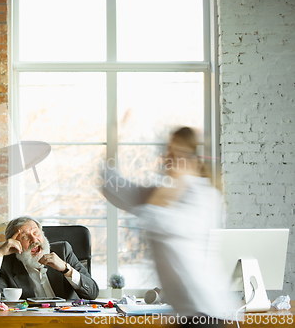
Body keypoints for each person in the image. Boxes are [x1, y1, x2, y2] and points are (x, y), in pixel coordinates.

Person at [102, 127, 238, 323]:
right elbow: (116, 190)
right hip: (186, 314)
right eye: (167, 152)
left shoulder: (203, 196)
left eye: (174, 154)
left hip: (206, 313)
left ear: (189, 158)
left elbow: (156, 219)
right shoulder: (166, 191)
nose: (166, 159)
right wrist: (114, 138)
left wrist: (174, 184)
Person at [0, 216, 99, 300]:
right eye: (25, 236)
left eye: (36, 233)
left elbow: (92, 292)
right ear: (14, 244)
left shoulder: (63, 252)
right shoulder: (6, 264)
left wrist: (65, 268)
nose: (34, 240)